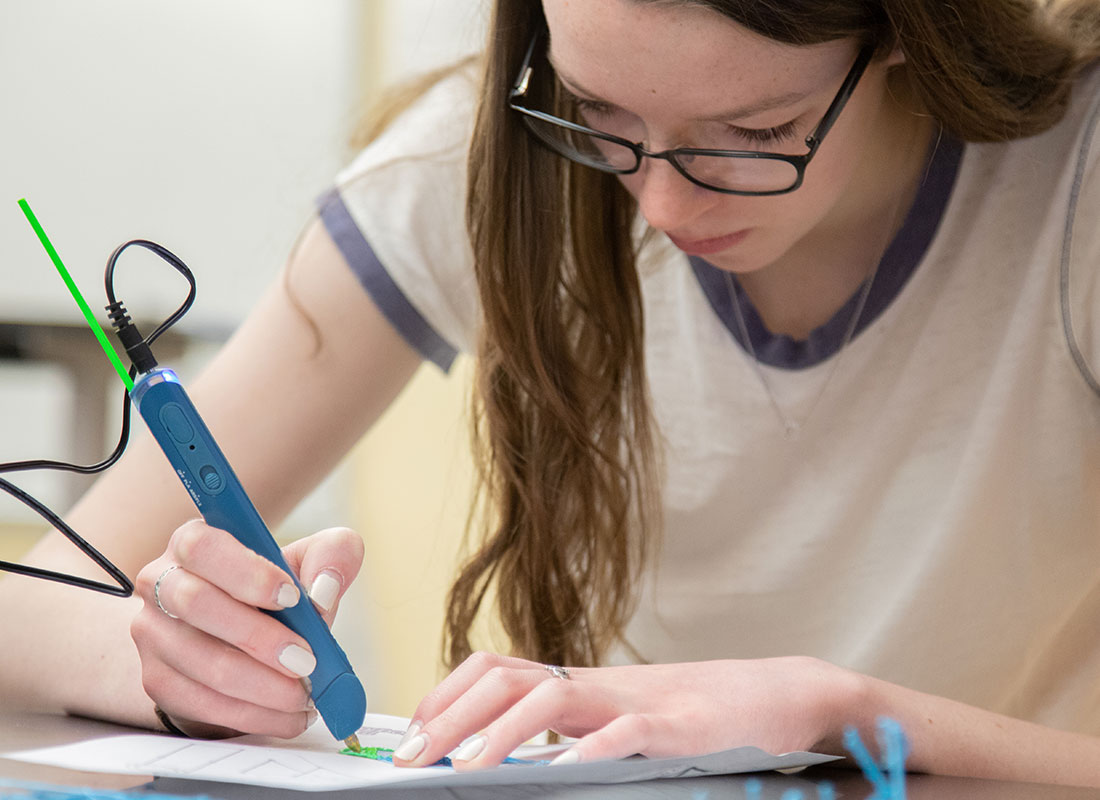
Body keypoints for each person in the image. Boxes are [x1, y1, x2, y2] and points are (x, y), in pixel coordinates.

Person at [2, 0, 1100, 786]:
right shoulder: (471, 163)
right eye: (600, 111)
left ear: (908, 28)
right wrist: (170, 657)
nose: (661, 205)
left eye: (755, 134)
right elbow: (24, 611)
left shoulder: (1074, 180)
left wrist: (842, 711)